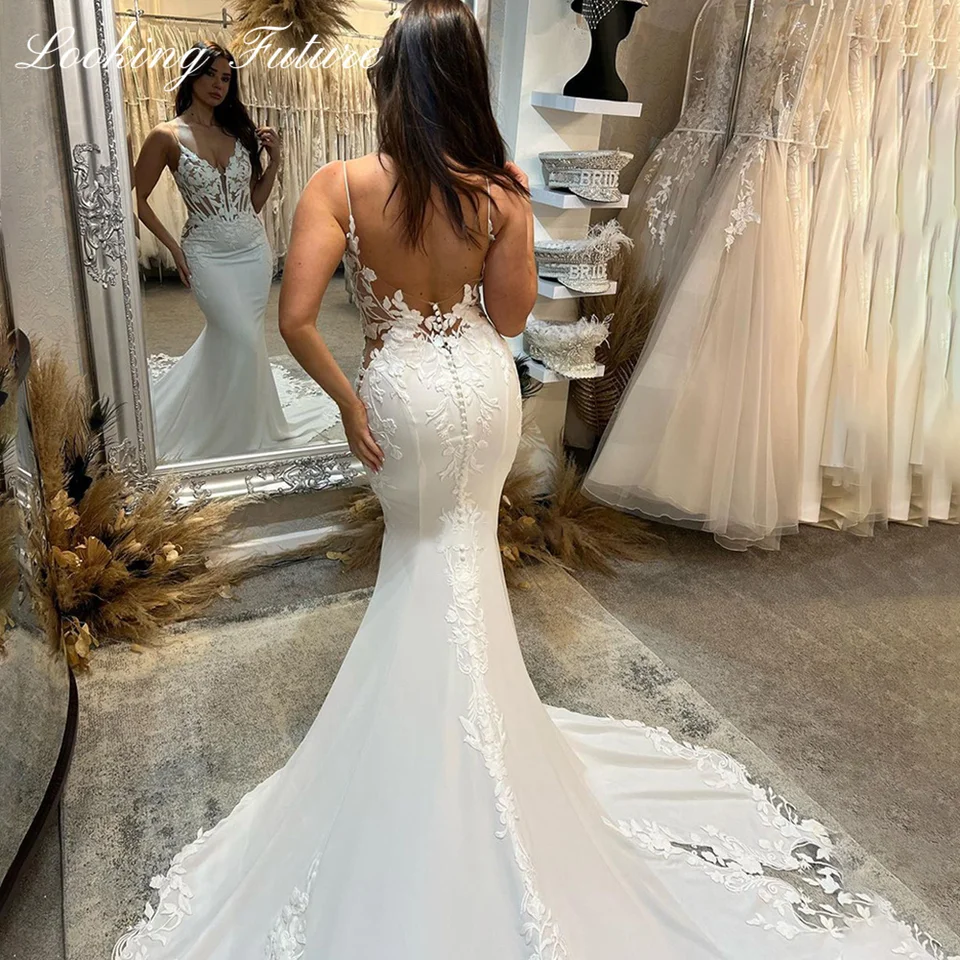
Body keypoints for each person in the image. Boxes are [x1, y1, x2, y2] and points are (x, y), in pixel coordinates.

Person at [112, 4, 947, 958]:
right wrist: (500, 219)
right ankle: (474, 736)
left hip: (401, 397)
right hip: (479, 391)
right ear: (467, 83)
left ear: (392, 83)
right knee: (463, 559)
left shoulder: (338, 183)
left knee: (420, 560)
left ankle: (423, 754)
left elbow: (297, 318)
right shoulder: (499, 191)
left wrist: (347, 403)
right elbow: (509, 320)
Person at [134, 41, 325, 462]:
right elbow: (139, 199)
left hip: (252, 252)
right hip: (205, 253)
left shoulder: (238, 133)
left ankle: (249, 422)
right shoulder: (166, 136)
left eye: (226, 78)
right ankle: (223, 431)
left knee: (245, 339)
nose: (219, 84)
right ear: (191, 75)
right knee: (236, 335)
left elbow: (253, 203)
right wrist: (173, 249)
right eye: (210, 74)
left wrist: (274, 161)